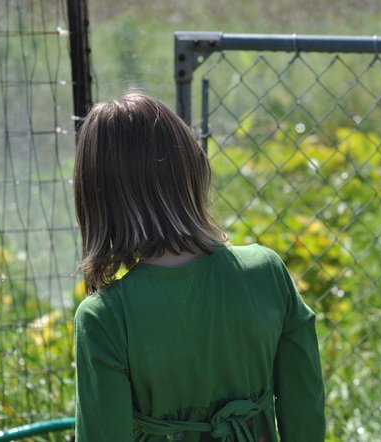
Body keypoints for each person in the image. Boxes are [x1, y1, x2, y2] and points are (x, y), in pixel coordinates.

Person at [72, 92, 325, 441]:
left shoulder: (105, 317)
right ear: (194, 167)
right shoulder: (266, 273)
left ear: (95, 199)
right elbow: (305, 407)